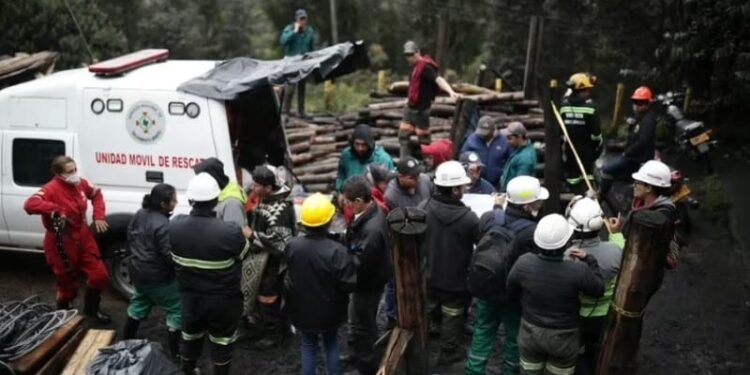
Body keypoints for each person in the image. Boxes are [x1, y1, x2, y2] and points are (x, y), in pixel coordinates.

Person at [465, 175, 548, 375]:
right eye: (537, 201)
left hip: (485, 287)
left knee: (483, 331)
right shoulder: (532, 232)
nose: (540, 203)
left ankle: (473, 370)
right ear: (528, 206)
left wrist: (496, 207)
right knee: (513, 338)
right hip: (512, 295)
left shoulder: (488, 217)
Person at [169, 173, 251, 375]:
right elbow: (244, 253)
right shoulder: (229, 231)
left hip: (191, 299)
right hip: (223, 302)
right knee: (222, 343)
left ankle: (188, 370)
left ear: (190, 200)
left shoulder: (174, 225)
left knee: (190, 336)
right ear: (216, 200)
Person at [507, 214, 605, 375]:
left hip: (530, 332)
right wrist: (590, 259)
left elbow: (510, 291)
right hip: (564, 338)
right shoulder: (577, 270)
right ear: (566, 242)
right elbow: (598, 290)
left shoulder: (524, 262)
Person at [23, 156, 111, 323]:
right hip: (61, 238)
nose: (74, 174)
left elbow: (97, 195)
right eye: (70, 172)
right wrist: (55, 209)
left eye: (75, 169)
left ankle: (91, 311)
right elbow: (30, 204)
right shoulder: (50, 189)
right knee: (66, 281)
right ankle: (64, 316)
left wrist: (99, 216)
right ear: (58, 174)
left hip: (83, 234)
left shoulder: (80, 184)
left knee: (100, 275)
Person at [285, 193, 358, 375]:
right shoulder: (337, 251)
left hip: (302, 310)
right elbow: (348, 284)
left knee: (308, 345)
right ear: (329, 220)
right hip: (330, 311)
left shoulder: (292, 245)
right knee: (331, 343)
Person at [420, 160, 480, 365]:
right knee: (452, 314)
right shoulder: (469, 218)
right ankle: (448, 351)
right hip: (456, 281)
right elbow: (480, 243)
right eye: (462, 186)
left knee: (430, 306)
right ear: (455, 190)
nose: (464, 189)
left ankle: (425, 341)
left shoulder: (424, 208)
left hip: (429, 274)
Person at [564, 197, 622, 375]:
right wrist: (616, 233)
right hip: (606, 314)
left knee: (580, 353)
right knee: (599, 350)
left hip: (578, 316)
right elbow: (623, 249)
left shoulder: (567, 257)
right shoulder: (615, 250)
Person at [123, 184, 181, 358]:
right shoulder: (163, 224)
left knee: (139, 304)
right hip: (158, 277)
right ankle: (176, 354)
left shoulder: (141, 213)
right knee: (177, 309)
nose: (176, 202)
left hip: (138, 272)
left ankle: (125, 342)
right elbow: (169, 255)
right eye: (174, 200)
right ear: (164, 204)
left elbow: (130, 236)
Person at [341, 176, 392, 375]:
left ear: (359, 201)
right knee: (355, 320)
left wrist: (340, 263)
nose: (345, 205)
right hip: (364, 282)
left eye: (347, 201)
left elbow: (361, 264)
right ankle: (357, 353)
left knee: (365, 325)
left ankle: (367, 365)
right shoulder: (368, 212)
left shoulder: (372, 229)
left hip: (367, 284)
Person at [243, 165, 297, 349]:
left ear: (268, 187)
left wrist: (251, 234)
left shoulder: (279, 210)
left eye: (257, 186)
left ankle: (274, 334)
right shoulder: (268, 197)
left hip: (273, 262)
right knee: (268, 295)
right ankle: (276, 328)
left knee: (268, 296)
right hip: (264, 259)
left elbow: (278, 242)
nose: (253, 188)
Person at [383, 156, 433, 326]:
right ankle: (392, 315)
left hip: (424, 237)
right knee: (395, 281)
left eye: (418, 176)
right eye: (412, 177)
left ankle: (422, 311)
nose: (417, 180)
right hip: (401, 242)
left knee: (423, 275)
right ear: (400, 176)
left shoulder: (425, 181)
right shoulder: (391, 195)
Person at [399, 40, 461, 158]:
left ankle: (428, 164)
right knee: (403, 136)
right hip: (410, 108)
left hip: (421, 110)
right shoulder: (414, 68)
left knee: (424, 140)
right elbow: (413, 87)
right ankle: (404, 163)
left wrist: (451, 91)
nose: (409, 58)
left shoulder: (425, 67)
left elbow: (438, 79)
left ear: (418, 52)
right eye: (407, 55)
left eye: (412, 55)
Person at [599, 86, 658, 198]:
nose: (637, 106)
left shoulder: (648, 121)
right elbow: (633, 138)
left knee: (606, 169)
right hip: (634, 156)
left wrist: (627, 152)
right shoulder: (640, 118)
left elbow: (642, 142)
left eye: (641, 103)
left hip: (636, 159)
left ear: (648, 104)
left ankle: (600, 195)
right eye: (635, 102)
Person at [561, 73, 602, 193]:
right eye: (587, 90)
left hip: (570, 147)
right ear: (581, 91)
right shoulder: (590, 108)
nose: (589, 92)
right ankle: (587, 195)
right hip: (587, 148)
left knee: (572, 176)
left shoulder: (564, 106)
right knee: (587, 175)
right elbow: (596, 135)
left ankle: (572, 194)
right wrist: (597, 147)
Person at [336, 124, 395, 191]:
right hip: (348, 196)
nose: (360, 148)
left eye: (364, 145)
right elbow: (340, 175)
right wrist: (339, 191)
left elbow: (389, 186)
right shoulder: (346, 155)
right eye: (357, 144)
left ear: (370, 144)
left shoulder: (383, 159)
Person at [280, 8, 315, 117]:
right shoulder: (289, 29)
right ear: (296, 19)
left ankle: (301, 111)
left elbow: (311, 48)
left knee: (302, 87)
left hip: (303, 61)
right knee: (290, 88)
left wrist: (311, 61)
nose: (303, 21)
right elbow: (283, 41)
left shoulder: (309, 31)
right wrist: (294, 31)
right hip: (291, 62)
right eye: (301, 19)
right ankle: (286, 112)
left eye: (304, 19)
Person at [193, 157, 247, 228]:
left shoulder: (231, 203)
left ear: (212, 177)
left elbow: (232, 234)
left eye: (202, 177)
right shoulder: (217, 193)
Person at [461, 115, 512, 188]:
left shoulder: (503, 140)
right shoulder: (472, 139)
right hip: (476, 182)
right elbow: (463, 156)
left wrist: (503, 174)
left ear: (493, 130)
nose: (483, 135)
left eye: (486, 133)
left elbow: (510, 160)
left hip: (496, 183)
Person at [501, 122, 537, 190]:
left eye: (509, 138)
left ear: (519, 137)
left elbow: (520, 186)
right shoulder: (521, 150)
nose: (507, 141)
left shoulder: (525, 158)